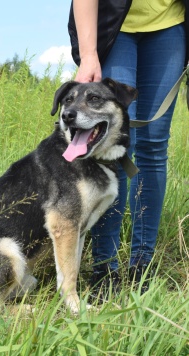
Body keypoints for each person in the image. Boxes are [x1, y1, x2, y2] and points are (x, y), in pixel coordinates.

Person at [68, 0, 188, 294]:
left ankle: (142, 265)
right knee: (114, 144)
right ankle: (104, 267)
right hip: (113, 27)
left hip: (169, 25)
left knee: (154, 143)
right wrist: (88, 54)